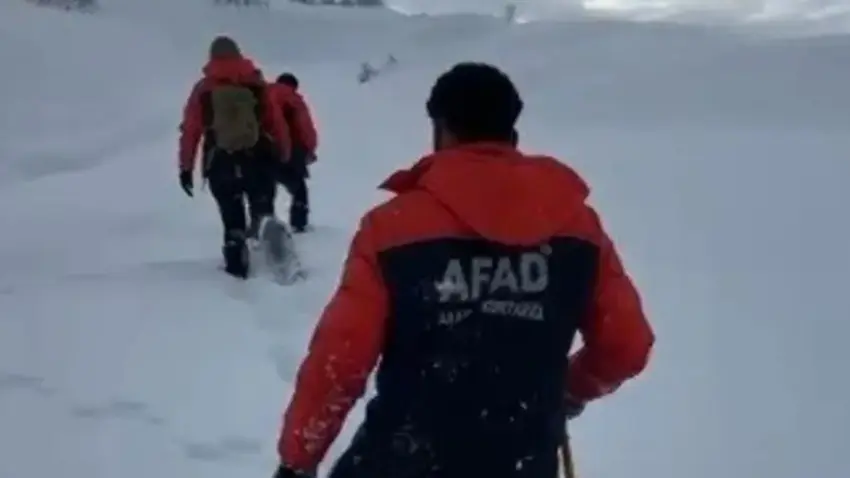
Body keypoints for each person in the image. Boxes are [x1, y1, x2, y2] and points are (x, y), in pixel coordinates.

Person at [273, 62, 655, 478]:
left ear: (442, 130)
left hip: (405, 457)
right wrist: (570, 388)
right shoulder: (579, 226)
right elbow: (627, 344)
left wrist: (298, 460)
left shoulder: (391, 227)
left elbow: (340, 359)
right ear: (512, 132)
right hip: (522, 460)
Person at [178, 36, 290, 278]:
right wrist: (283, 150)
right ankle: (276, 254)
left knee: (232, 216)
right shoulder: (255, 82)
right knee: (262, 207)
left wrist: (185, 167)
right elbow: (274, 119)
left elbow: (191, 130)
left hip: (220, 161)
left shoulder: (204, 88)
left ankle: (236, 260)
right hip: (258, 156)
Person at [270, 72, 318, 232]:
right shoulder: (293, 99)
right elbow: (305, 128)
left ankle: (263, 222)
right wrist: (310, 150)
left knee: (264, 190)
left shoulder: (262, 95)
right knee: (299, 189)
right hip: (290, 151)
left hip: (261, 151)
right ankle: (298, 223)